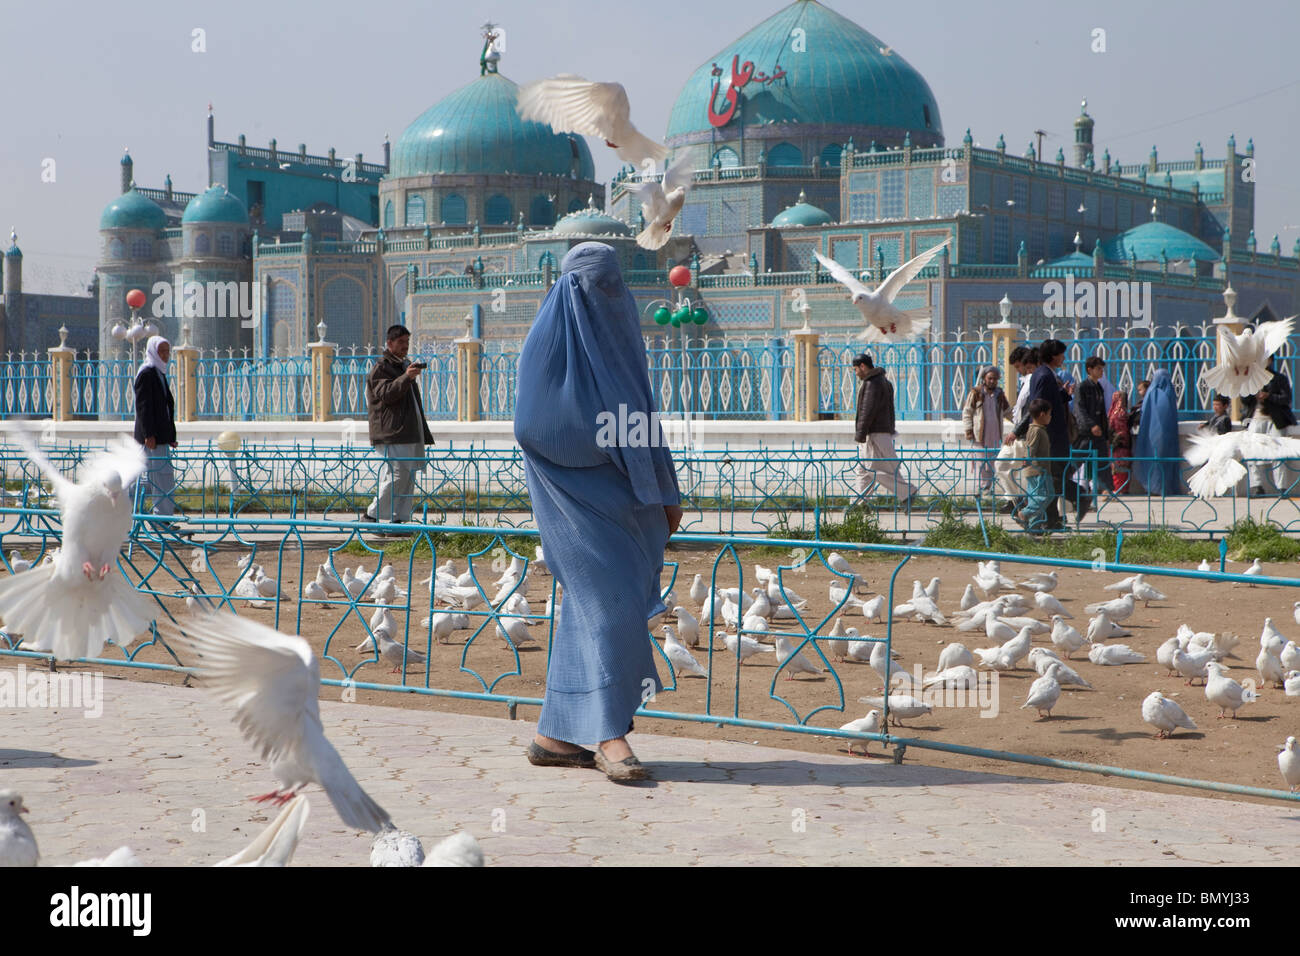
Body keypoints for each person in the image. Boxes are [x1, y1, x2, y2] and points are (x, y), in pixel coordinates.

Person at [514, 242, 681, 783]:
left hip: (630, 502)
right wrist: (604, 444)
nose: (608, 297)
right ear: (570, 289)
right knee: (609, 611)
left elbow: (644, 417)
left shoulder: (620, 341)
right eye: (598, 287)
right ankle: (611, 736)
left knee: (587, 613)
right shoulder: (548, 344)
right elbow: (534, 426)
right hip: (573, 502)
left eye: (616, 286)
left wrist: (663, 488)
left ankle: (555, 736)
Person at [1011, 338, 1088, 527]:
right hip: (1050, 437)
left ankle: (1050, 520)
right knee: (1053, 478)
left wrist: (1063, 395)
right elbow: (1037, 405)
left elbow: (1047, 401)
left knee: (1053, 476)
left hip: (1052, 435)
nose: (1063, 357)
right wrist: (1026, 432)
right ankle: (1078, 496)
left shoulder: (1046, 374)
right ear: (1053, 356)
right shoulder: (1045, 375)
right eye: (1061, 354)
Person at [364, 324, 434, 524]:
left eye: (407, 342)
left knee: (408, 477)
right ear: (390, 343)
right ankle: (371, 515)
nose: (405, 346)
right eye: (401, 342)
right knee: (396, 477)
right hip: (393, 433)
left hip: (409, 431)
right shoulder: (381, 367)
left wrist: (406, 375)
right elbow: (386, 394)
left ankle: (399, 520)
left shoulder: (403, 366)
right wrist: (406, 378)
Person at [853, 353, 916, 505]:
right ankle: (860, 504)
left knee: (872, 469)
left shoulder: (872, 384)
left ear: (863, 366)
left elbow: (867, 411)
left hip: (874, 433)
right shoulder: (884, 382)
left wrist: (860, 434)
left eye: (855, 369)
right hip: (882, 432)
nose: (855, 373)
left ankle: (907, 492)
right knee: (863, 469)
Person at [133, 335, 178, 516]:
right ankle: (135, 516)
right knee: (152, 478)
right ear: (153, 351)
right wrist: (149, 434)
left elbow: (165, 408)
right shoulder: (147, 373)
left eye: (167, 351)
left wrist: (170, 437)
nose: (166, 355)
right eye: (162, 351)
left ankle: (162, 518)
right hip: (151, 439)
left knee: (161, 478)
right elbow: (144, 407)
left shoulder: (159, 373)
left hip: (160, 438)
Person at [1241, 355, 1299, 495]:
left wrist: (1269, 396)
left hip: (1275, 421)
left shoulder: (1279, 378)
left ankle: (1282, 487)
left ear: (1270, 361)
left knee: (1278, 453)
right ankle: (1257, 486)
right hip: (1256, 420)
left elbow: (1286, 399)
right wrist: (1253, 393)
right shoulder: (1251, 378)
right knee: (1252, 452)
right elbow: (1244, 399)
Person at [962, 366, 1010, 494]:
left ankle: (988, 490)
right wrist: (968, 430)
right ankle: (982, 489)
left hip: (995, 434)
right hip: (979, 435)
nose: (992, 381)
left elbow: (1008, 412)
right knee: (980, 462)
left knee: (992, 462)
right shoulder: (976, 393)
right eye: (990, 378)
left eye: (995, 379)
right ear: (984, 378)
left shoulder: (999, 395)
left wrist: (1021, 423)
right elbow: (967, 412)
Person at [1132, 369, 1181, 495]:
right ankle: (1160, 487)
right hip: (1166, 435)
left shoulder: (1154, 392)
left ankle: (1154, 487)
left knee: (1155, 460)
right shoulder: (1166, 392)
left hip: (1152, 434)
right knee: (1161, 461)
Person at [1013, 398, 1054, 533]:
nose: (1050, 417)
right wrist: (1028, 458)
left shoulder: (1038, 429)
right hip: (1038, 471)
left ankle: (1033, 527)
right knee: (1046, 495)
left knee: (1035, 498)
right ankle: (1024, 513)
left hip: (1036, 470)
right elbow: (1030, 447)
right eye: (1049, 414)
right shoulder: (1036, 430)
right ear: (1042, 415)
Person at [1074, 356, 1111, 492]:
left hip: (1099, 431)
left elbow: (1101, 412)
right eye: (1098, 369)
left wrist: (1106, 434)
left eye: (1102, 369)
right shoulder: (1082, 387)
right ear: (1089, 370)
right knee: (1077, 461)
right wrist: (1090, 425)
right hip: (1085, 432)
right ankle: (1065, 486)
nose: (1101, 371)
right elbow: (1079, 409)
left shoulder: (1099, 387)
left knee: (1102, 461)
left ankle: (1106, 489)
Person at [1108, 391, 1133, 493]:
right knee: (1121, 467)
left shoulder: (1114, 412)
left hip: (1116, 445)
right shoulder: (1122, 413)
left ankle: (1118, 489)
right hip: (1122, 445)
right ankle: (1122, 489)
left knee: (1117, 467)